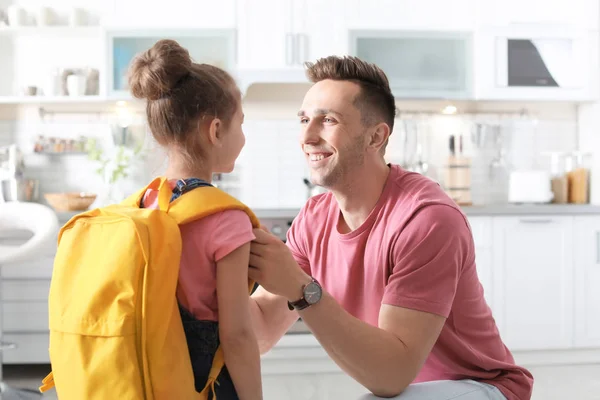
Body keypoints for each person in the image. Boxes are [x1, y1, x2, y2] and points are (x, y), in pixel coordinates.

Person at [248, 56, 534, 400]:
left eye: (328, 120)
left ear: (376, 136)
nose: (307, 136)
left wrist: (300, 289)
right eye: (305, 120)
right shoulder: (314, 218)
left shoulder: (427, 219)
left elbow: (391, 375)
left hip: (481, 386)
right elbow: (262, 326)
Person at [128, 39, 262, 400]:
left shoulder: (143, 204)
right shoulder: (226, 218)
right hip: (203, 384)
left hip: (145, 380)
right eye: (241, 124)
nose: (244, 137)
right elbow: (237, 337)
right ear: (216, 131)